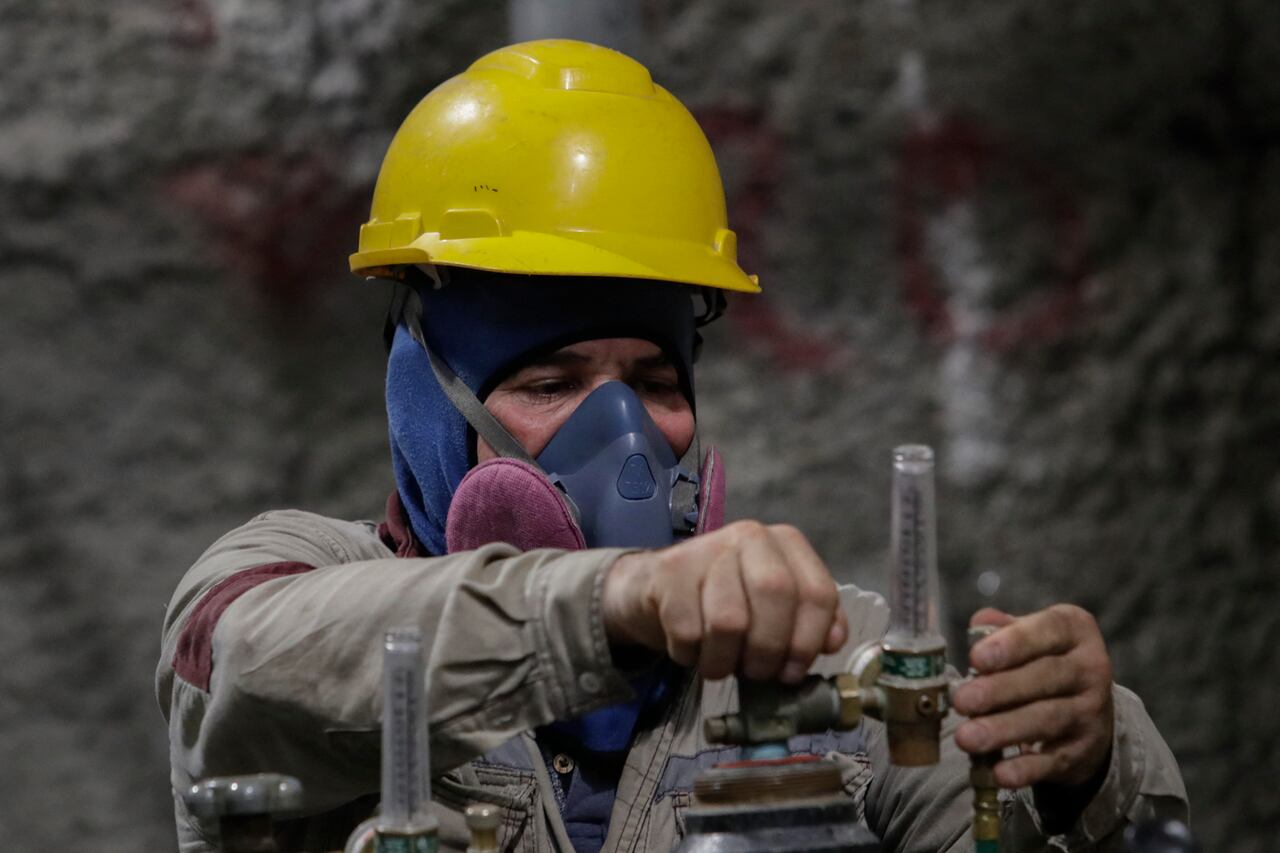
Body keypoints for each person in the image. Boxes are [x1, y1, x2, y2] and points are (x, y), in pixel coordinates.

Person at [157, 39, 1188, 853]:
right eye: (549, 381)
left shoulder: (827, 663)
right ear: (426, 404)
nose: (626, 436)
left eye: (655, 382)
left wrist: (1084, 765)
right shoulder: (281, 584)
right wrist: (617, 598)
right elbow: (245, 671)